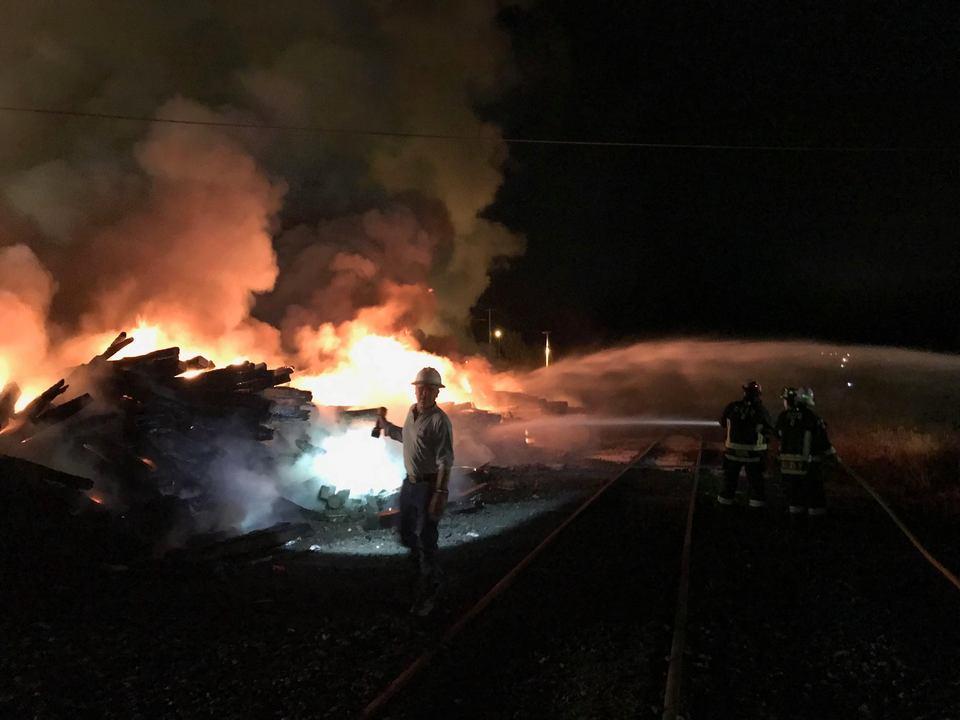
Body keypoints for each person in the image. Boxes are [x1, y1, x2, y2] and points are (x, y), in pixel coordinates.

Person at [376, 367, 455, 616]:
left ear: (437, 393)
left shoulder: (439, 421)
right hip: (410, 484)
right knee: (405, 532)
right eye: (420, 388)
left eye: (429, 389)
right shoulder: (412, 412)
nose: (423, 393)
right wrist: (386, 426)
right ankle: (416, 575)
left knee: (426, 538)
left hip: (428, 486)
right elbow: (407, 437)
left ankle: (431, 588)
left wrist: (440, 493)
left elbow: (445, 461)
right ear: (415, 389)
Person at [718, 380, 775, 507]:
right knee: (756, 487)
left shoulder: (732, 407)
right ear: (758, 395)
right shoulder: (761, 410)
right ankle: (755, 514)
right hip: (753, 455)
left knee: (728, 485)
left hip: (732, 453)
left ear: (744, 392)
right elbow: (769, 430)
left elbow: (722, 423)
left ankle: (723, 512)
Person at [793, 386, 836, 516]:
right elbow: (823, 441)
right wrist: (833, 456)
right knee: (816, 497)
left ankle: (795, 523)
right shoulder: (813, 418)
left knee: (795, 500)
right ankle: (816, 523)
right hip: (810, 466)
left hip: (789, 468)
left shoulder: (787, 416)